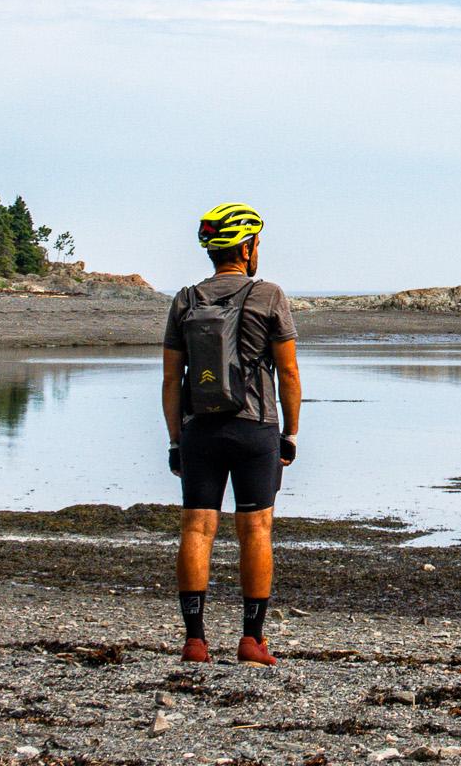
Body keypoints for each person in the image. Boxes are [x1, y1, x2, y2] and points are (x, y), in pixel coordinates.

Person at [161, 201, 302, 665]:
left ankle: (195, 640)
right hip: (254, 428)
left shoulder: (185, 300)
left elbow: (170, 380)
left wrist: (175, 440)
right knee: (256, 529)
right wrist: (291, 435)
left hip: (199, 429)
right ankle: (251, 640)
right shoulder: (269, 296)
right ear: (246, 247)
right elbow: (289, 374)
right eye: (257, 241)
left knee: (197, 529)